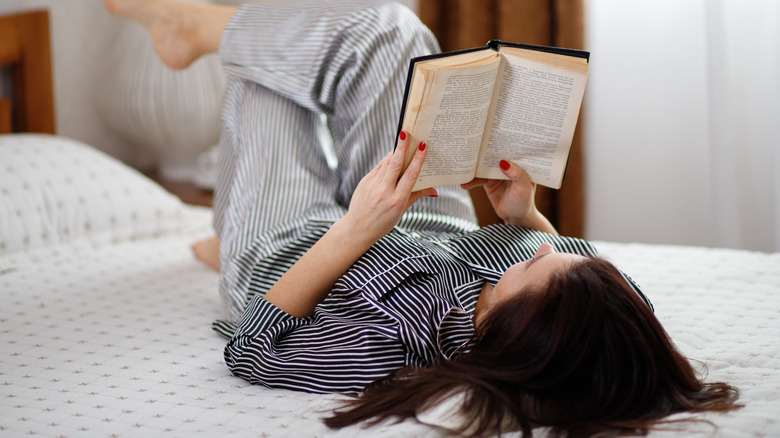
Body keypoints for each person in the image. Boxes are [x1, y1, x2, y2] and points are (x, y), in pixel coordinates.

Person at [105, 0, 741, 436]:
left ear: (507, 327)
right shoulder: (587, 310)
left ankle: (190, 36)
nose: (550, 248)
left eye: (544, 262)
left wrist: (354, 228)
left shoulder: (391, 344)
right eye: (566, 252)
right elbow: (614, 298)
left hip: (295, 249)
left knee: (271, 78)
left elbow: (254, 353)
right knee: (398, 33)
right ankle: (202, 41)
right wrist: (524, 215)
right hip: (418, 215)